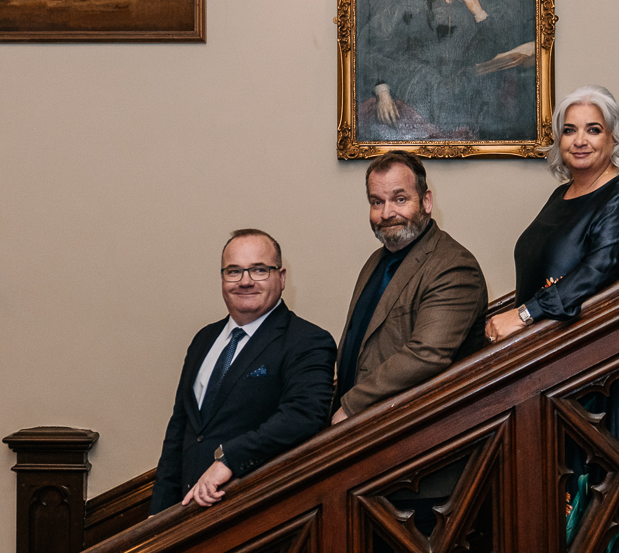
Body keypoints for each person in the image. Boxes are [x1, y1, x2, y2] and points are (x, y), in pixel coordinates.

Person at [147, 229, 335, 514]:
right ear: (223, 279)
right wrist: (156, 515)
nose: (245, 281)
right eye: (234, 271)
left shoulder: (308, 341)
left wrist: (228, 459)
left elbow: (304, 416)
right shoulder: (203, 340)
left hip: (253, 513)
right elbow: (179, 432)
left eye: (259, 270)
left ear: (281, 278)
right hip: (188, 515)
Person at [487, 85, 619, 343]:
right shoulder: (562, 194)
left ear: (614, 138)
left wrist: (523, 315)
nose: (579, 141)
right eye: (569, 130)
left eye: (593, 130)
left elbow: (592, 276)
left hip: (591, 353)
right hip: (541, 343)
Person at [332, 151, 488, 423]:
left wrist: (352, 406)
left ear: (426, 201)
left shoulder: (454, 266)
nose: (386, 213)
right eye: (376, 202)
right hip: (363, 425)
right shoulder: (376, 260)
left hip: (413, 431)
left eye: (400, 199)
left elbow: (427, 354)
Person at [357, 0, 536, 143]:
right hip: (414, 97)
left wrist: (477, 10)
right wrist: (382, 91)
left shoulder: (482, 1)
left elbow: (506, 44)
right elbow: (372, 44)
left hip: (468, 103)